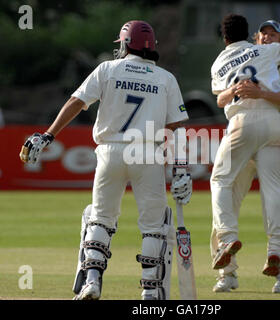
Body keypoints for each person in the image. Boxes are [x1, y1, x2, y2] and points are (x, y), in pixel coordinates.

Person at [19, 20, 192, 300]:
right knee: (154, 226)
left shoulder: (108, 69)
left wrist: (48, 135)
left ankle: (93, 282)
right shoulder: (166, 79)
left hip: (110, 152)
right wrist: (181, 167)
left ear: (125, 44)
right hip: (147, 153)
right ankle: (150, 293)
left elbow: (76, 102)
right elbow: (176, 127)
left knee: (100, 220)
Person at [209, 14, 280, 294]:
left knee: (222, 185)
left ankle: (238, 247)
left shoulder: (222, 61)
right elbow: (221, 97)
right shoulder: (267, 52)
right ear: (253, 36)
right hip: (266, 126)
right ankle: (232, 272)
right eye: (264, 33)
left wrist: (258, 91)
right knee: (269, 196)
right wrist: (235, 89)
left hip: (247, 126)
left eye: (273, 34)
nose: (267, 37)